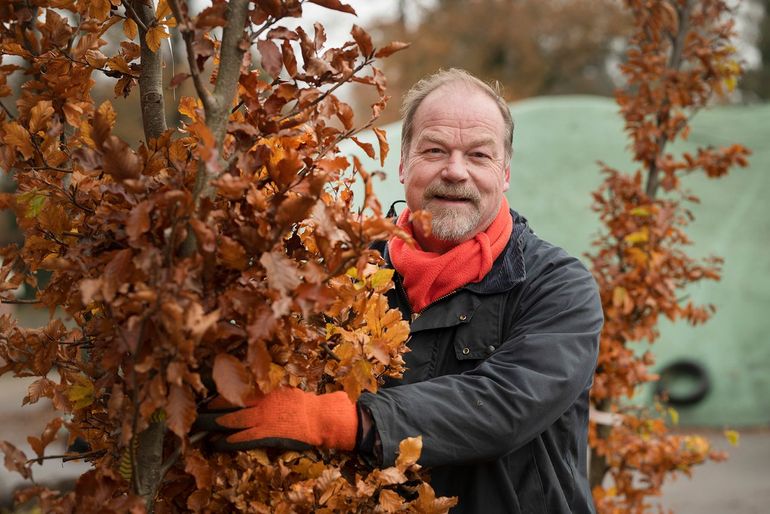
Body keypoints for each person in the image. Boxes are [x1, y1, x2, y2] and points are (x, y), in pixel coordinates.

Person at [199, 69, 603, 513]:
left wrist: (341, 421)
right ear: (403, 164)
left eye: (478, 155)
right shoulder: (344, 274)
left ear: (504, 173)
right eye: (434, 150)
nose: (454, 171)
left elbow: (506, 404)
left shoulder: (559, 287)